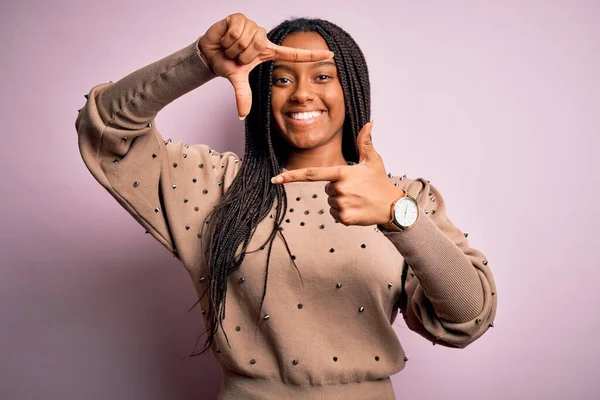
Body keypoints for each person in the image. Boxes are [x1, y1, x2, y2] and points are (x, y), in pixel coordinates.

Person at [76, 13, 498, 400]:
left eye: (322, 76)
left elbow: (470, 318)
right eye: (281, 79)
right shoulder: (215, 185)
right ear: (263, 91)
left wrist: (398, 216)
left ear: (351, 87)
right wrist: (201, 59)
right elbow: (107, 132)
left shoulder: (403, 197)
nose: (301, 94)